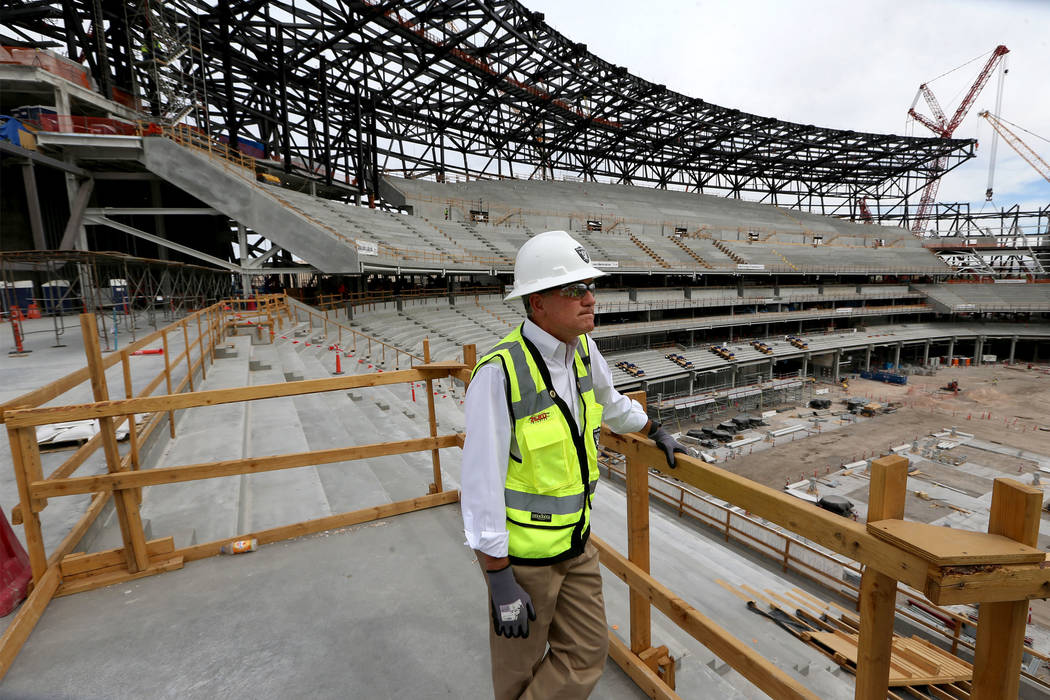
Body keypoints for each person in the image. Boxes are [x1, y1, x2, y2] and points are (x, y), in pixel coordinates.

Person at [461, 230, 690, 699]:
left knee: (587, 651)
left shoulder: (583, 350)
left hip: (577, 545)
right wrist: (499, 577)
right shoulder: (498, 374)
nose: (590, 298)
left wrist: (653, 429)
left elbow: (610, 404)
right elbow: (480, 483)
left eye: (590, 287)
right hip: (523, 562)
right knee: (518, 673)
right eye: (574, 290)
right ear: (536, 303)